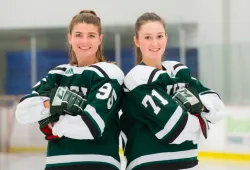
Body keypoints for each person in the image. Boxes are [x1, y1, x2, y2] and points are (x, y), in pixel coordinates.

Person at [15, 10, 124, 170]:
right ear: (70, 38)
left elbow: (90, 126)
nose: (84, 41)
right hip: (56, 163)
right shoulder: (59, 74)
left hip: (98, 163)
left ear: (100, 39)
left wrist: (54, 125)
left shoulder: (109, 73)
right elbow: (22, 113)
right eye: (79, 35)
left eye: (91, 35)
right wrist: (51, 104)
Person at [120, 12, 225, 170]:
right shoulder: (137, 79)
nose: (155, 43)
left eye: (159, 36)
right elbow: (175, 128)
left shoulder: (177, 71)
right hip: (149, 164)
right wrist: (200, 118)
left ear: (166, 38)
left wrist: (200, 107)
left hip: (189, 163)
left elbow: (218, 109)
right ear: (137, 41)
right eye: (147, 37)